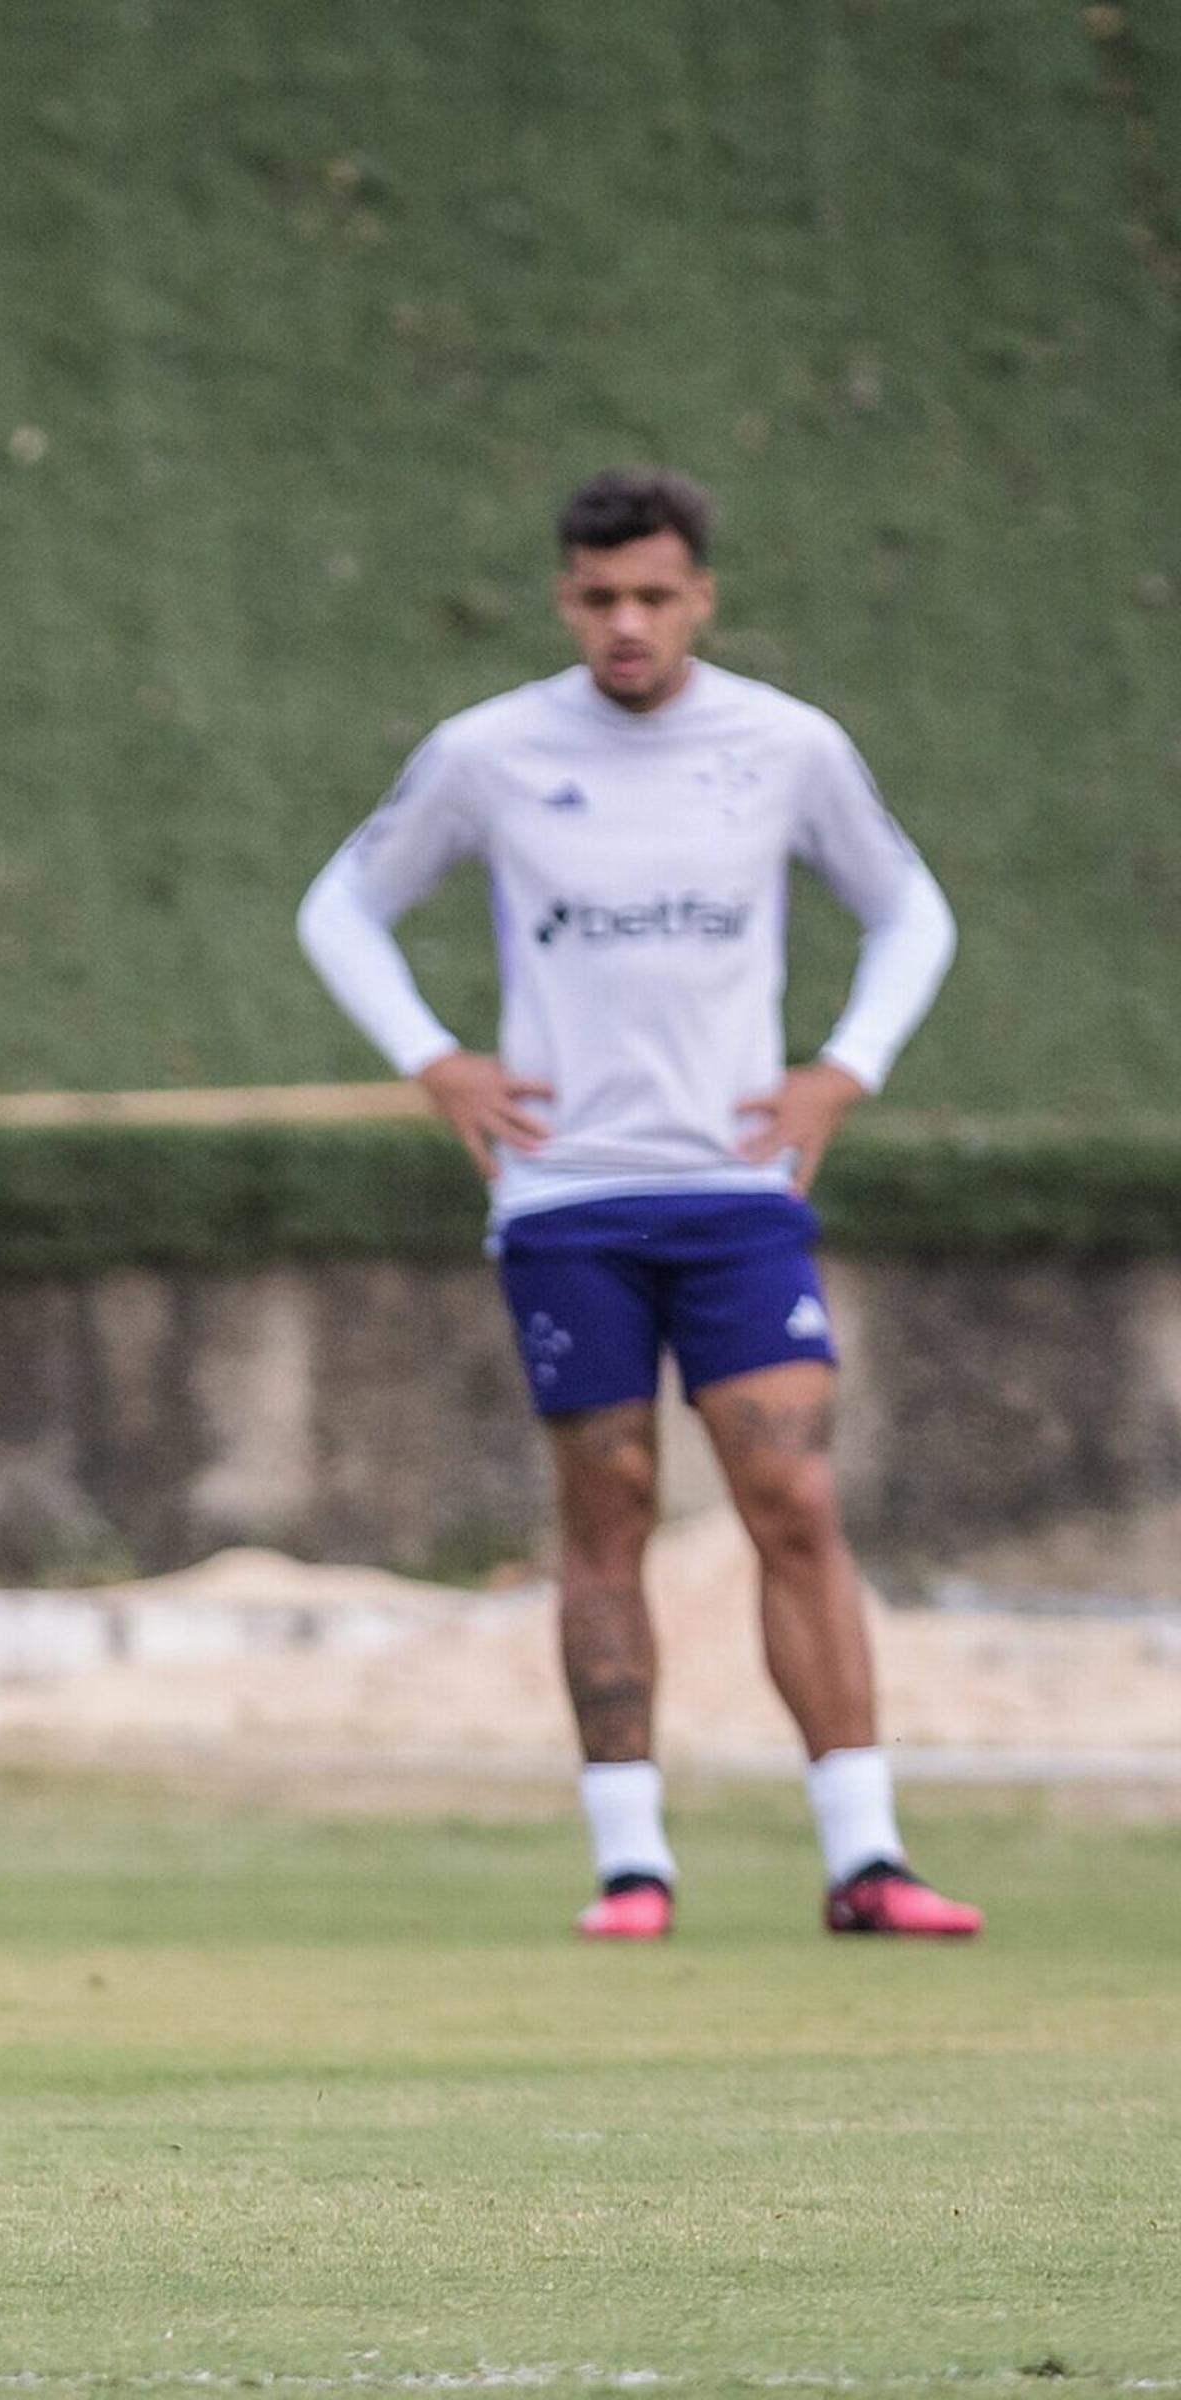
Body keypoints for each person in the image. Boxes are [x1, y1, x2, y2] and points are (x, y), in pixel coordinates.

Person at [297, 468, 977, 1944]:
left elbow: (912, 908)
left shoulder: (787, 748)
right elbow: (339, 904)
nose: (627, 623)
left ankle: (865, 1860)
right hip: (565, 1202)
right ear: (565, 599)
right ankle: (632, 1866)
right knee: (604, 1510)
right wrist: (437, 1062)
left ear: (701, 598)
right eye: (600, 597)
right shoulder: (489, 753)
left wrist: (838, 1074)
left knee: (791, 1498)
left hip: (738, 1194)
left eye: (654, 596)